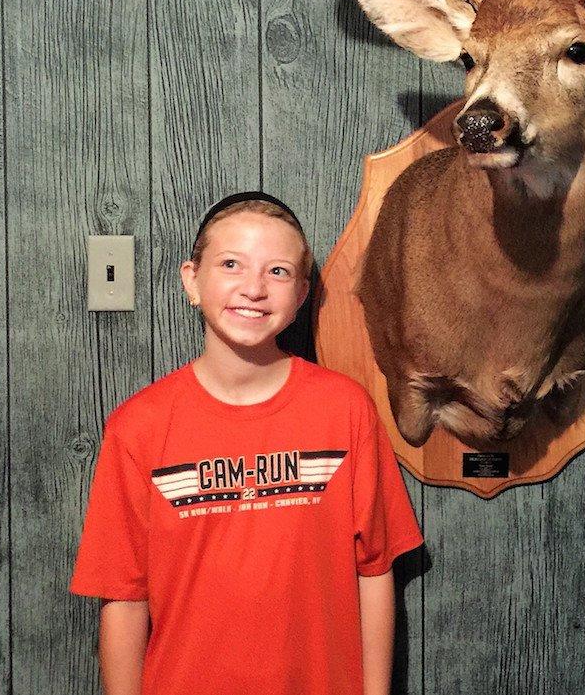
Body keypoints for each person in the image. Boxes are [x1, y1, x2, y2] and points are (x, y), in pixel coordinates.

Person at [70, 191, 423, 695]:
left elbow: (375, 571)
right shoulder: (138, 427)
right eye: (231, 264)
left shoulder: (345, 410)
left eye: (277, 271)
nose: (253, 288)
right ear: (192, 280)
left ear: (302, 295)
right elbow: (124, 600)